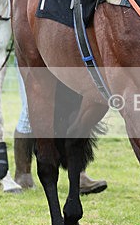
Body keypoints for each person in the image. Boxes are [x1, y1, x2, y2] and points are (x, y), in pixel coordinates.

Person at [14, 62, 108, 194]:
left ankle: (79, 174)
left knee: (74, 110)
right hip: (33, 61)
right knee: (29, 113)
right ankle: (22, 175)